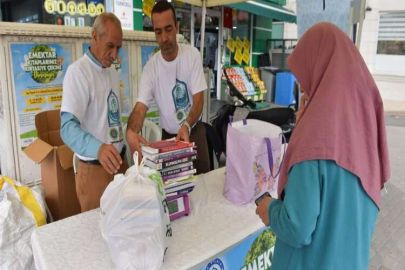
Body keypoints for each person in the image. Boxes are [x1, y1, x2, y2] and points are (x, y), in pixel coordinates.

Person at [256, 22, 390, 270]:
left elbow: (296, 227)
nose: (303, 87)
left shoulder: (314, 136)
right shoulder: (365, 130)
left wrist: (269, 209)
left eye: (304, 76)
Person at [126, 1, 209, 174]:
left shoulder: (192, 55)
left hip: (194, 132)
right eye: (158, 31)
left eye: (168, 29)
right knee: (170, 193)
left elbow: (199, 100)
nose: (164, 38)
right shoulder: (151, 68)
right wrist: (131, 132)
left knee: (203, 186)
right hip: (168, 138)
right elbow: (140, 108)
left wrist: (186, 125)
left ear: (177, 27)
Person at [60, 13, 127, 212]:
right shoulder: (78, 73)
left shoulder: (111, 71)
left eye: (118, 48)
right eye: (110, 46)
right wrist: (98, 148)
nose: (115, 55)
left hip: (120, 164)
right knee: (96, 236)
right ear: (95, 37)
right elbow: (67, 128)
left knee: (124, 228)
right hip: (95, 170)